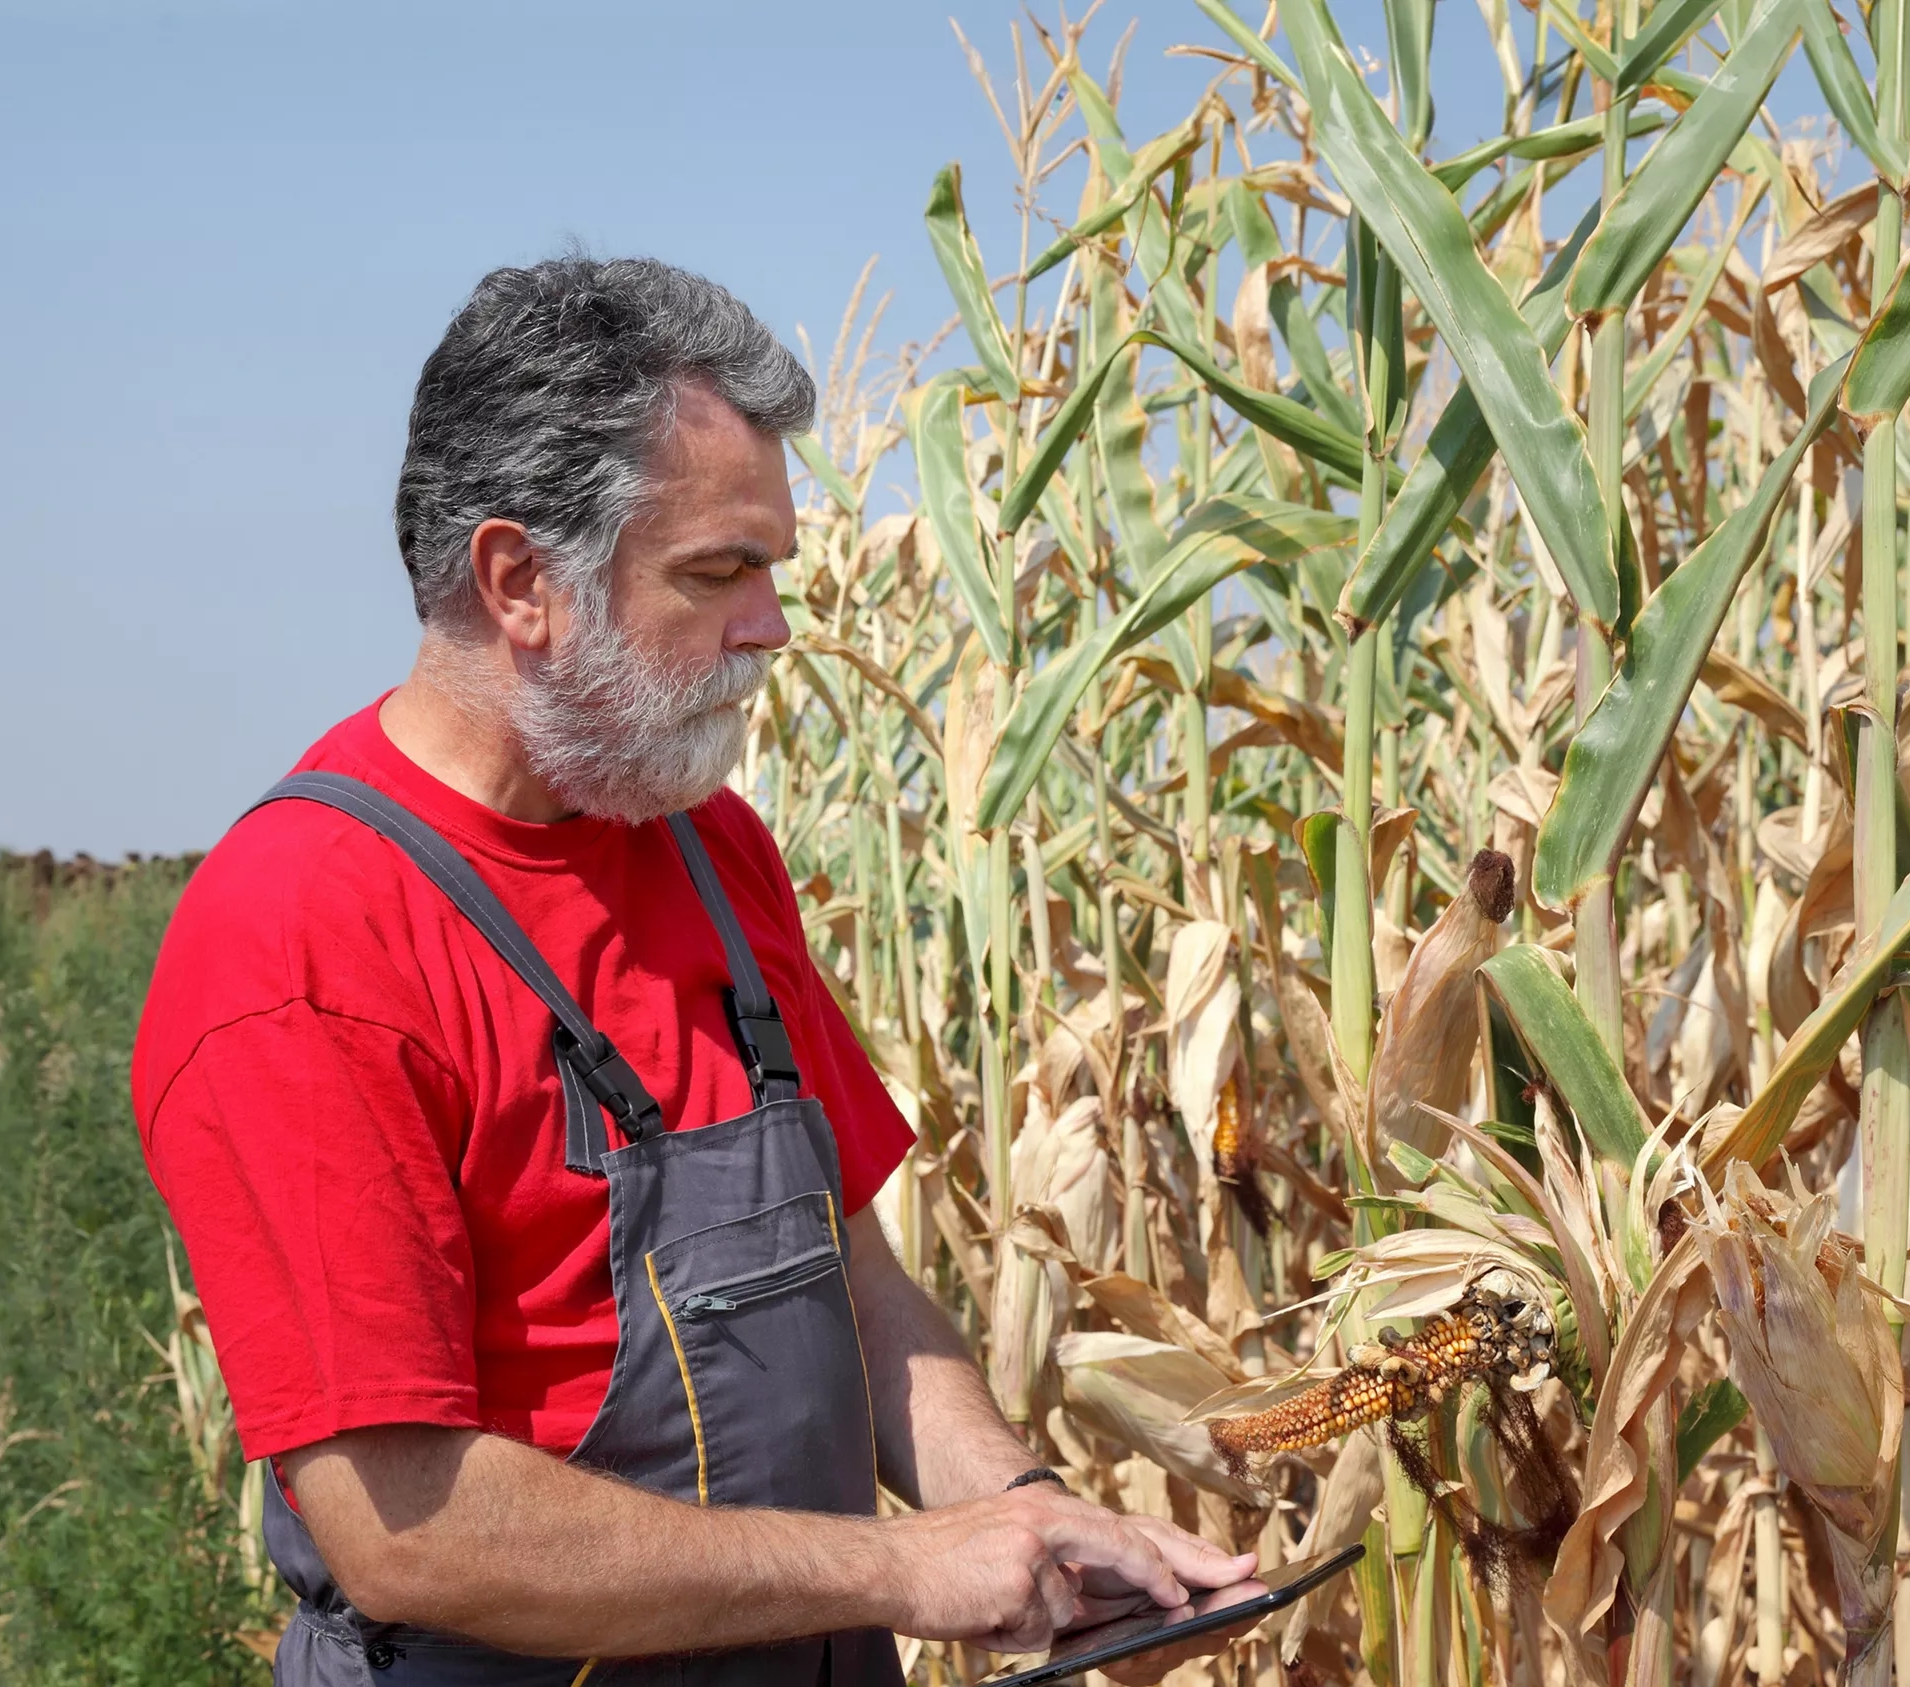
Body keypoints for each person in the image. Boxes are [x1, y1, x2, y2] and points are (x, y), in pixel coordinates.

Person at [132, 255, 1256, 1687]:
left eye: (770, 572)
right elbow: (406, 1525)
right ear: (520, 580)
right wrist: (902, 1568)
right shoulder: (304, 939)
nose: (771, 626)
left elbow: (845, 1267)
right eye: (718, 574)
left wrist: (1016, 1515)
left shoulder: (708, 850)